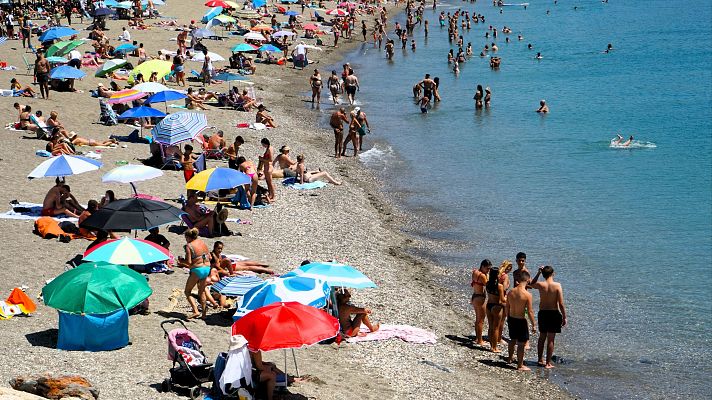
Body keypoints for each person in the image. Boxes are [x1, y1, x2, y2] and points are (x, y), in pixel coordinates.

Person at [530, 265, 567, 369]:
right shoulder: (557, 285)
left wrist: (538, 273)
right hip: (554, 313)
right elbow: (561, 303)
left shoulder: (541, 284)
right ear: (553, 274)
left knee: (542, 337)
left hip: (543, 313)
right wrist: (564, 317)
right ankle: (547, 363)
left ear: (543, 274)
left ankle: (539, 359)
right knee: (551, 340)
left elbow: (531, 284)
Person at [177, 228, 211, 319]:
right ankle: (204, 315)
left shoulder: (189, 246)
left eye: (185, 238)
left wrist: (181, 261)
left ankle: (195, 311)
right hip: (207, 268)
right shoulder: (202, 242)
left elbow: (188, 262)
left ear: (188, 237)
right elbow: (210, 256)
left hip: (197, 269)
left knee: (187, 291)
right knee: (202, 291)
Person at [506, 270, 536, 371]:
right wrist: (534, 325)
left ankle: (509, 358)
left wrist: (508, 317)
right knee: (521, 344)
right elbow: (530, 312)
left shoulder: (511, 291)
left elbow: (507, 307)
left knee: (512, 340)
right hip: (520, 320)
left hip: (511, 318)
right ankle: (520, 365)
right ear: (527, 280)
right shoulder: (527, 295)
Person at [470, 259, 490, 346]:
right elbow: (488, 286)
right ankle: (480, 340)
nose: (488, 270)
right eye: (487, 269)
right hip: (480, 298)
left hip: (474, 296)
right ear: (482, 266)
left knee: (477, 319)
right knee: (481, 320)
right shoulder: (482, 276)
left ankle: (477, 338)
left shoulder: (475, 272)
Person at [485, 265, 505, 353]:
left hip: (488, 305)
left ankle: (491, 346)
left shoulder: (487, 283)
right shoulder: (499, 286)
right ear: (497, 275)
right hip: (496, 306)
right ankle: (494, 347)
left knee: (490, 326)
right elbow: (502, 300)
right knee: (496, 327)